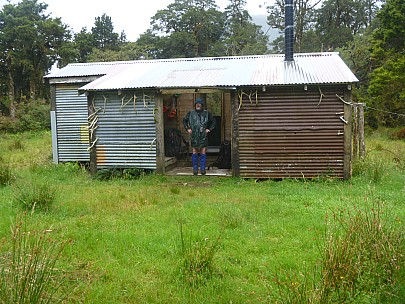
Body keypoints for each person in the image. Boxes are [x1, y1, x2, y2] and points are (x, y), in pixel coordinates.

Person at [183, 98, 216, 175]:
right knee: (194, 151)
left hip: (203, 135)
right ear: (195, 105)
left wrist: (209, 129)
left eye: (199, 104)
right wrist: (188, 128)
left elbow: (213, 121)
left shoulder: (207, 113)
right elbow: (184, 120)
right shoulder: (191, 113)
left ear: (202, 105)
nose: (198, 105)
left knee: (203, 151)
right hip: (194, 135)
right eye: (196, 104)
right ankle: (195, 169)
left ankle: (202, 169)